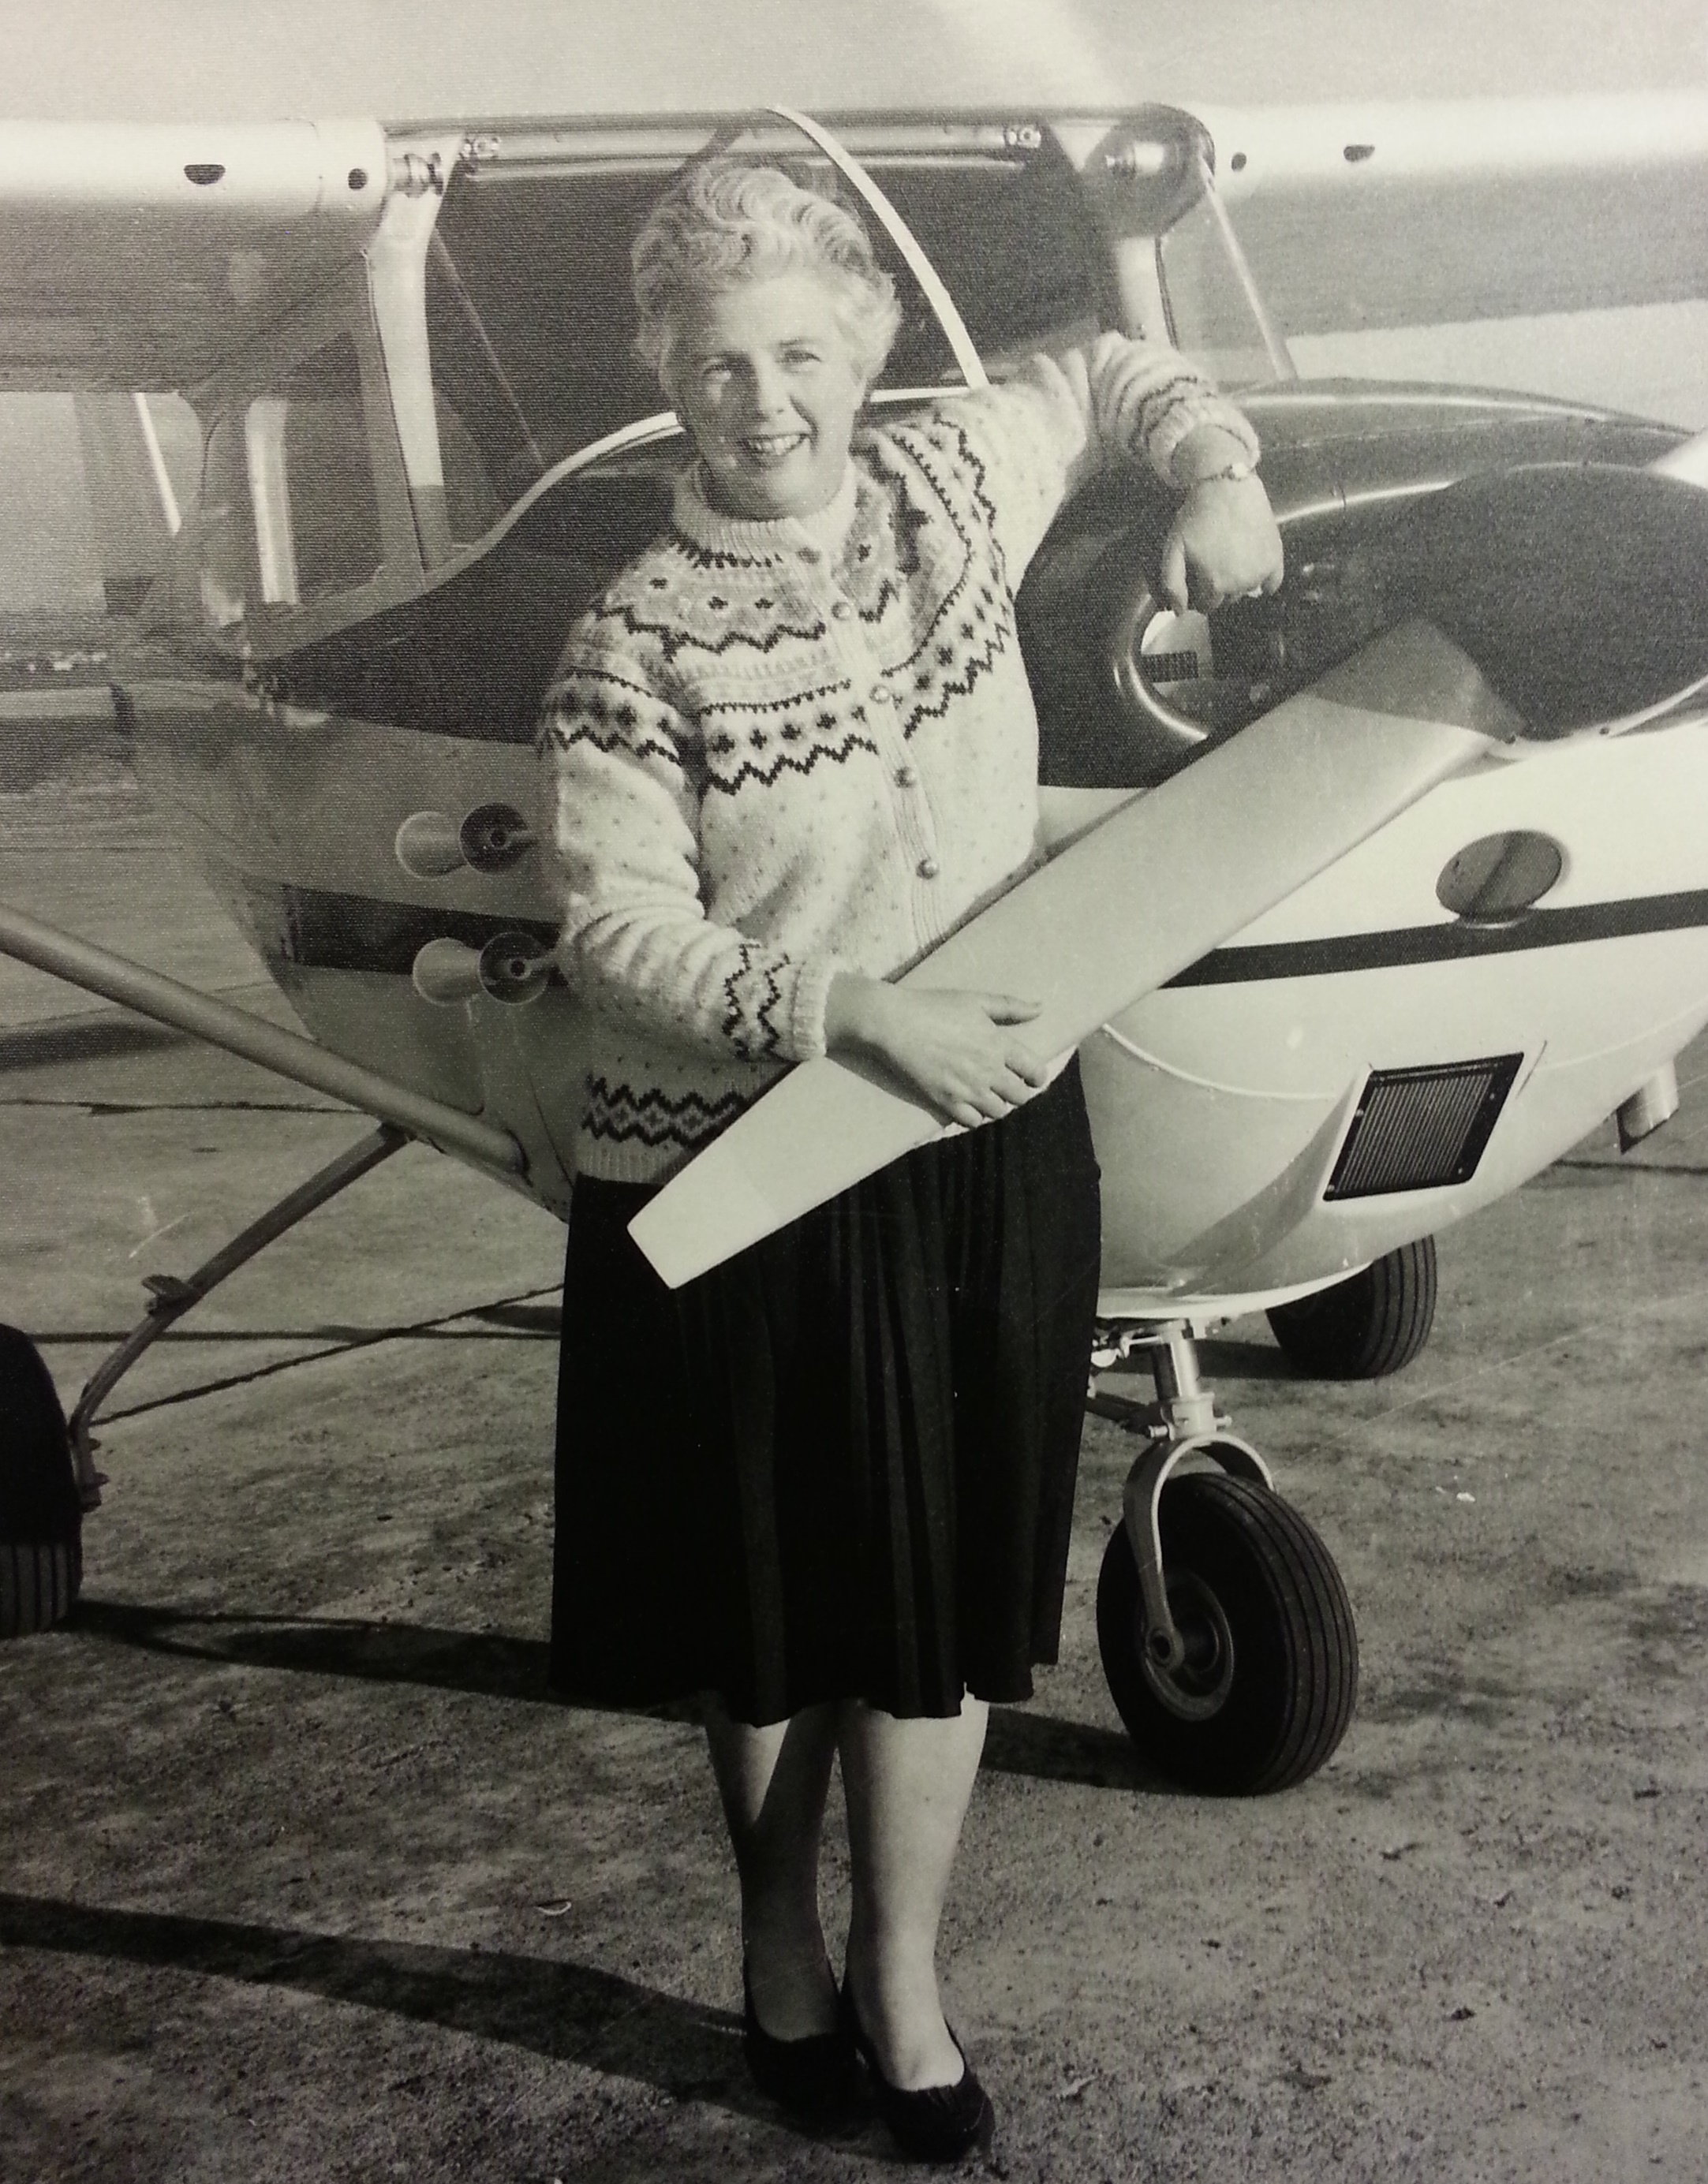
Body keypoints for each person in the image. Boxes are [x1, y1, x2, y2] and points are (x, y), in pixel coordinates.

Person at [540, 155, 1283, 2160]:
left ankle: (902, 1972)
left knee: (941, 1598)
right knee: (776, 1614)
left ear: (866, 348)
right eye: (716, 363)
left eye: (800, 350)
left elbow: (1115, 365)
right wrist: (849, 1008)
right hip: (742, 1173)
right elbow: (613, 939)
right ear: (665, 381)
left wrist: (1217, 466)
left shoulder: (957, 487)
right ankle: (778, 1937)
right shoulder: (629, 640)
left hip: (977, 1147)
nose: (762, 396)